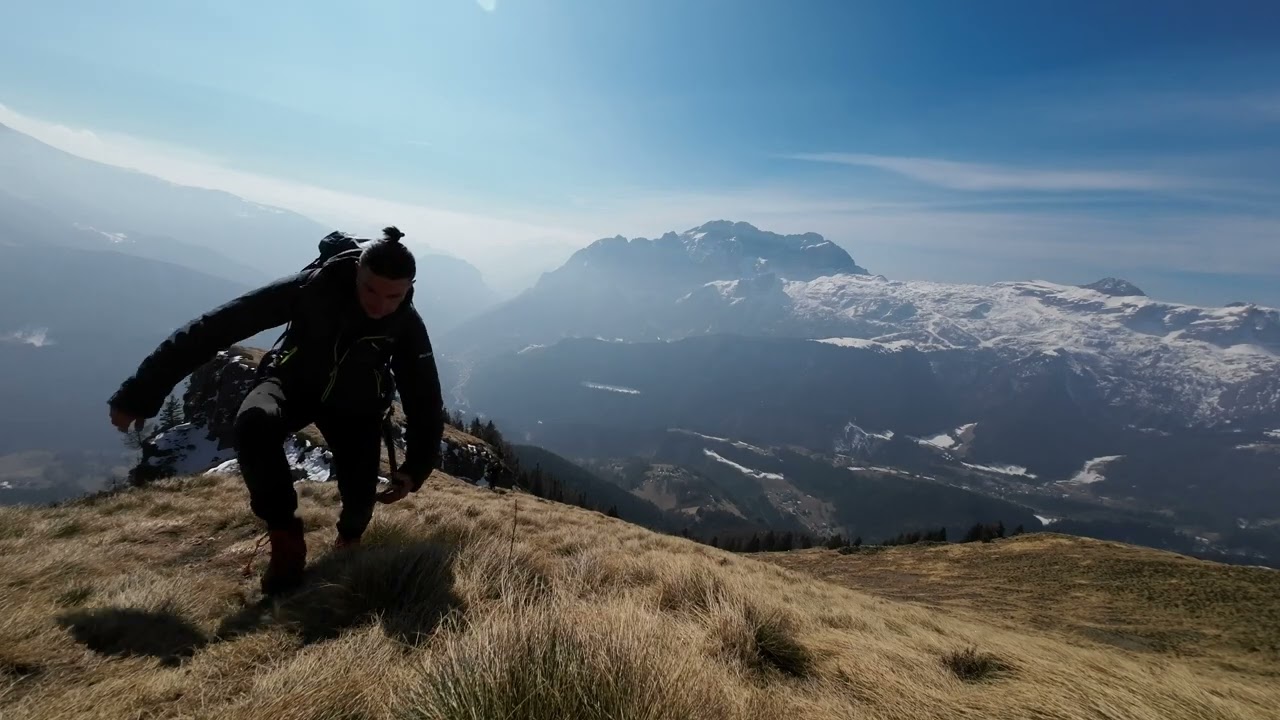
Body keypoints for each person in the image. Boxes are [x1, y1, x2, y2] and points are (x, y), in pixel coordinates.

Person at [107, 226, 445, 595]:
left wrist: (415, 469)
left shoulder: (407, 325)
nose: (380, 305)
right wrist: (141, 393)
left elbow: (424, 399)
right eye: (370, 289)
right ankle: (285, 540)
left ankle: (349, 540)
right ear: (357, 273)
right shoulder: (312, 288)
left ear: (410, 288)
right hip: (290, 383)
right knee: (254, 423)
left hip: (356, 406)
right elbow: (215, 327)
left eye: (394, 296)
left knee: (360, 497)